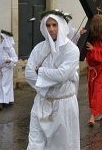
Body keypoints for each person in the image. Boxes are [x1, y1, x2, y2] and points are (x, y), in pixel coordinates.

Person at [25, 9, 80, 149]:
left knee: (62, 145)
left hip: (63, 106)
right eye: (48, 25)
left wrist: (40, 72)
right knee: (34, 145)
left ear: (61, 25)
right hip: (41, 103)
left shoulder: (71, 50)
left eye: (54, 25)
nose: (51, 29)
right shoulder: (39, 48)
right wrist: (51, 79)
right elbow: (28, 74)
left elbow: (62, 75)